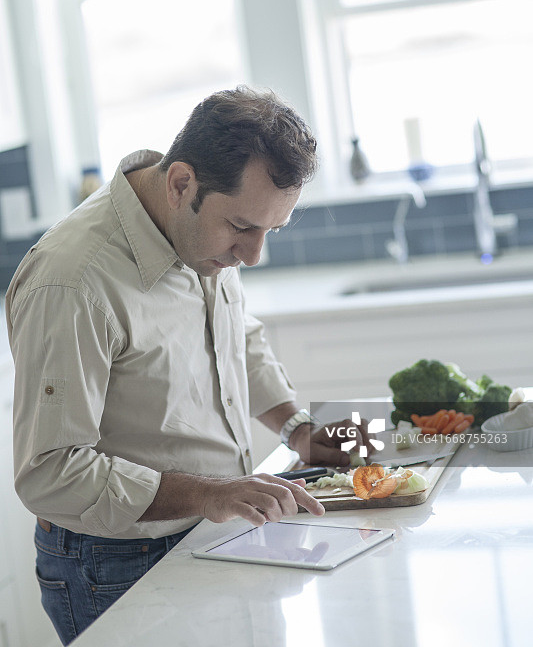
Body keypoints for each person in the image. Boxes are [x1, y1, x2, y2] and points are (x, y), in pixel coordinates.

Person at [6, 86, 370, 645]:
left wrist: (296, 428)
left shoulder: (200, 230)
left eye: (271, 231)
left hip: (215, 528)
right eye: (244, 228)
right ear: (181, 184)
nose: (253, 256)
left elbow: (233, 337)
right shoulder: (73, 280)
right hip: (116, 564)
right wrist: (209, 493)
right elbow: (50, 472)